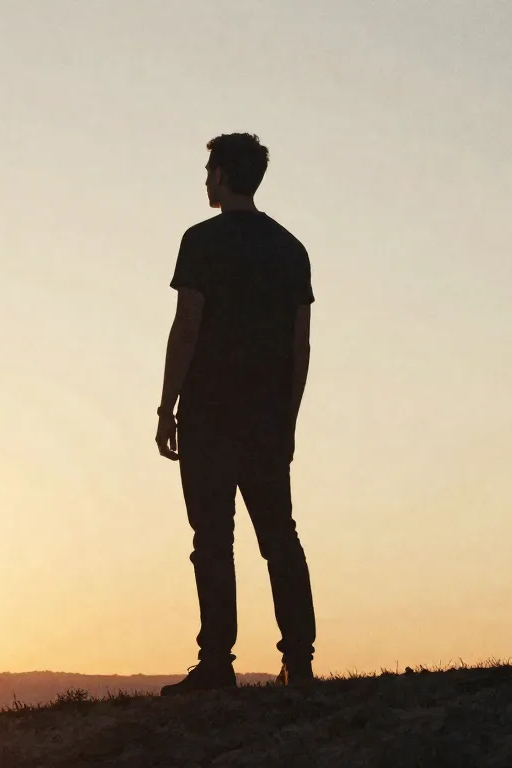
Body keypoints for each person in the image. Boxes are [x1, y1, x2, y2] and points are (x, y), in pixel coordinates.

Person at [156, 133, 317, 695]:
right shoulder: (290, 249)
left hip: (208, 412)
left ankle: (217, 663)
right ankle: (299, 660)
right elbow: (300, 345)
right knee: (279, 537)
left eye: (209, 170)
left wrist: (167, 405)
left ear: (223, 175)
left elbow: (187, 325)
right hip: (267, 417)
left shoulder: (201, 241)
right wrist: (288, 419)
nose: (205, 180)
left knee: (212, 539)